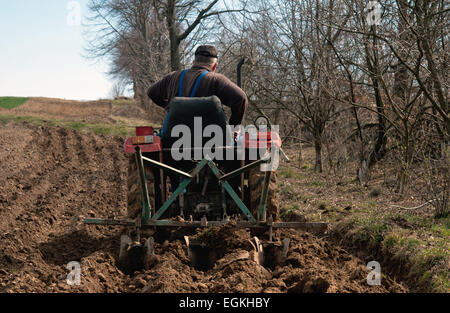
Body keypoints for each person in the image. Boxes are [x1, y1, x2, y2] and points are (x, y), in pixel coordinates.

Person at [147, 45, 248, 131]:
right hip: (211, 139)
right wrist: (234, 128)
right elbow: (241, 98)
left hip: (173, 137)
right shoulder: (216, 79)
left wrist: (169, 107)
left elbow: (151, 92)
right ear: (214, 66)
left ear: (193, 62)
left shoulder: (172, 77)